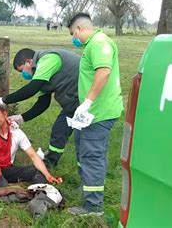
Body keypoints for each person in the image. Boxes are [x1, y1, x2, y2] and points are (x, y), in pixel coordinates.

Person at [66, 13, 123, 216]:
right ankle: (88, 188)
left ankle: (93, 207)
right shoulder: (91, 45)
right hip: (90, 113)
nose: (74, 38)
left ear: (80, 29)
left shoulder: (98, 43)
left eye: (73, 34)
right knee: (83, 149)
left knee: (92, 155)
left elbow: (103, 72)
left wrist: (88, 101)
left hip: (99, 113)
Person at [0, 48, 80, 167]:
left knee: (85, 139)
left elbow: (32, 89)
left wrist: (4, 100)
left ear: (29, 61)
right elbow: (43, 103)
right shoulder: (42, 73)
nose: (24, 75)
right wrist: (22, 118)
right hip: (75, 103)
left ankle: (88, 173)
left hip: (90, 99)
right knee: (59, 130)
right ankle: (49, 163)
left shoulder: (49, 59)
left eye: (22, 70)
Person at [0, 105, 62, 187]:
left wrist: (47, 175)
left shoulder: (16, 132)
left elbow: (33, 156)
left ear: (5, 114)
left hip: (6, 170)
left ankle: (42, 191)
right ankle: (6, 188)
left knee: (35, 170)